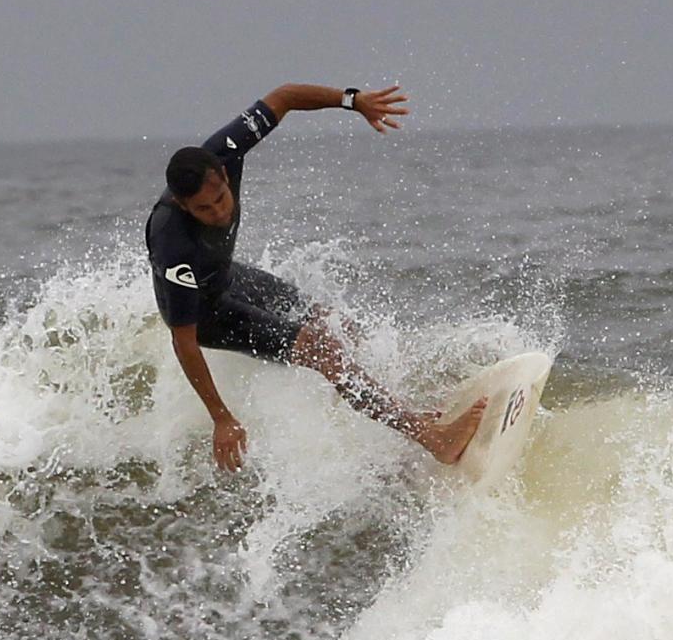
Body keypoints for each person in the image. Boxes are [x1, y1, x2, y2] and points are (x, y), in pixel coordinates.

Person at [145, 83, 487, 472]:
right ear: (183, 205)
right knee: (322, 350)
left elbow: (284, 98)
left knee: (335, 325)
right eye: (204, 210)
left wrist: (353, 101)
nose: (220, 212)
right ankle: (434, 441)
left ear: (222, 173)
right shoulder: (173, 247)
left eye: (221, 197)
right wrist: (221, 417)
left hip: (227, 277)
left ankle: (409, 412)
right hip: (207, 315)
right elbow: (184, 341)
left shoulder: (223, 151)